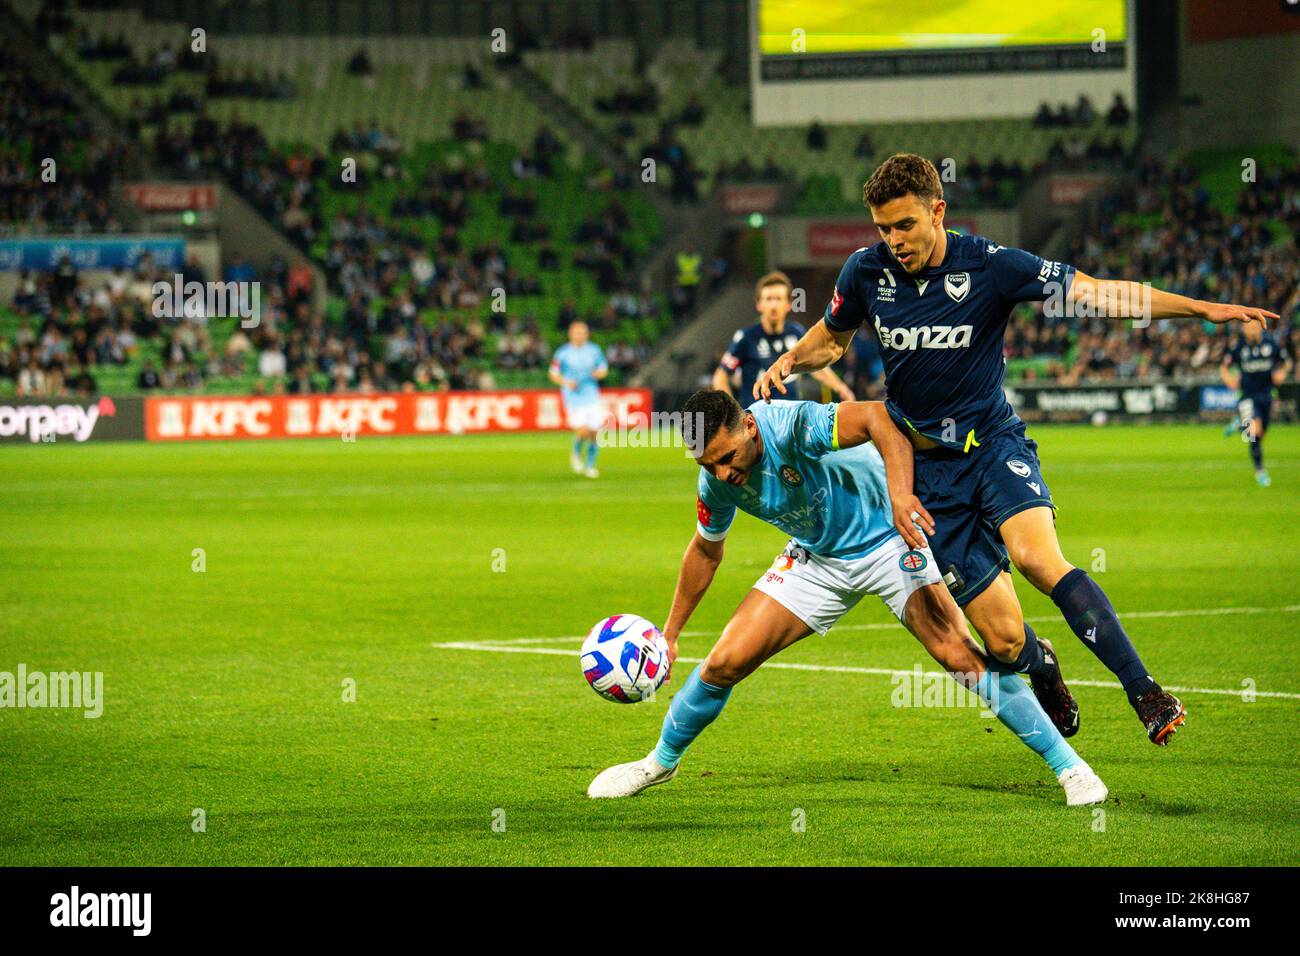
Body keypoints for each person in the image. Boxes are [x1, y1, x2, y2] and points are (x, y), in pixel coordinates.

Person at [755, 153, 1278, 746]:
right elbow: (832, 337)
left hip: (993, 444)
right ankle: (1044, 665)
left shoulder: (993, 266)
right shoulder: (864, 271)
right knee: (1002, 641)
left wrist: (1202, 310)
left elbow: (1098, 294)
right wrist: (794, 358)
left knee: (1036, 558)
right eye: (882, 228)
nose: (894, 240)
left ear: (937, 211)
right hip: (925, 472)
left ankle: (1146, 692)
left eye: (905, 225)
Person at [588, 390, 1106, 806]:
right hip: (818, 558)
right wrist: (671, 634)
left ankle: (1071, 769)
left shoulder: (790, 424)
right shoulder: (716, 480)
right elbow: (705, 552)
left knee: (960, 658)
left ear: (748, 425)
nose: (723, 472)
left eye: (726, 457)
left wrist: (903, 497)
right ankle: (658, 762)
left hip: (890, 540)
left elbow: (880, 419)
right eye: (708, 463)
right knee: (724, 662)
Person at [713, 272, 854, 404]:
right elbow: (720, 376)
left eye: (778, 299)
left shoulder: (797, 332)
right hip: (756, 422)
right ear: (759, 304)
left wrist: (842, 388)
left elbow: (817, 368)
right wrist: (733, 411)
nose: (773, 305)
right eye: (768, 299)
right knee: (695, 424)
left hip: (791, 420)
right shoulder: (745, 337)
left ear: (788, 304)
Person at [1220, 322, 1293, 486]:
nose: (1251, 331)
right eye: (1248, 328)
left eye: (1254, 327)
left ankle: (1239, 424)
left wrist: (1282, 372)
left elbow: (1288, 361)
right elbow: (1224, 368)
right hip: (1246, 396)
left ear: (1260, 328)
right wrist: (1229, 380)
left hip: (1266, 396)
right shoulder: (1239, 348)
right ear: (1243, 330)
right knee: (1253, 434)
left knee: (1260, 435)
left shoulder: (1271, 345)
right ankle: (1260, 471)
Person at [548, 321, 608, 478]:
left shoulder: (594, 350)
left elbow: (603, 368)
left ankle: (590, 466)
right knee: (582, 431)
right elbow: (553, 374)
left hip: (592, 394)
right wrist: (567, 382)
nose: (580, 335)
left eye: (583, 332)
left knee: (595, 433)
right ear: (571, 334)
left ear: (587, 334)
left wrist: (599, 374)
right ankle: (575, 453)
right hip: (573, 396)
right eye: (577, 332)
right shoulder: (562, 353)